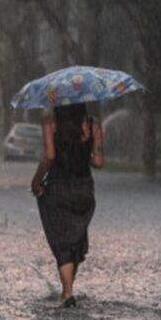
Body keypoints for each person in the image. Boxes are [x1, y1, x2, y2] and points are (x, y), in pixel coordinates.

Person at [30, 100, 104, 308]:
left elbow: (50, 156)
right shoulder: (93, 124)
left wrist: (36, 181)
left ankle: (67, 292)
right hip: (84, 190)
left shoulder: (49, 122)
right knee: (76, 238)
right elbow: (98, 162)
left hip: (58, 188)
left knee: (61, 240)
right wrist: (84, 151)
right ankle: (69, 287)